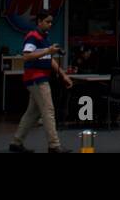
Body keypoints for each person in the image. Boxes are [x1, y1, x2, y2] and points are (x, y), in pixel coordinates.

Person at [9, 10, 73, 153]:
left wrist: (63, 75)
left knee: (32, 113)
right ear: (39, 21)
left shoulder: (45, 37)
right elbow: (26, 56)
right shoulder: (33, 36)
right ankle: (54, 145)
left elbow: (49, 60)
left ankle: (16, 142)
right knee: (48, 110)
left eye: (51, 22)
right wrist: (47, 51)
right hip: (36, 79)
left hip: (40, 78)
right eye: (47, 22)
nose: (50, 24)